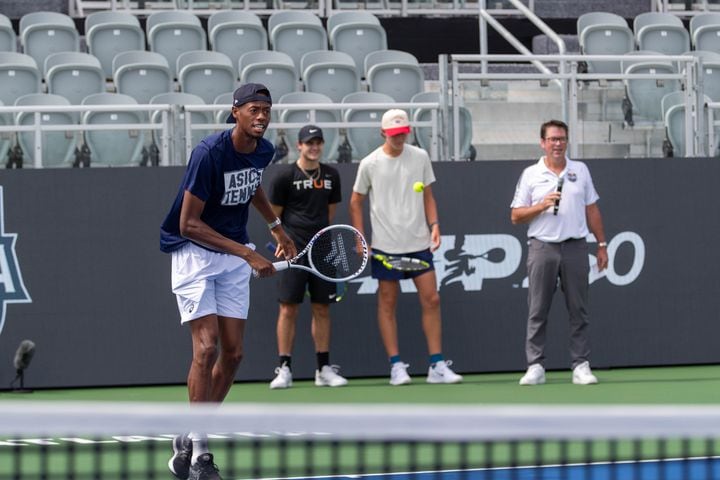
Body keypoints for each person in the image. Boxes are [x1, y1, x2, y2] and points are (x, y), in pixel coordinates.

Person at [159, 83, 296, 480]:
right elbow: (188, 223)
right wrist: (247, 253)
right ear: (234, 112)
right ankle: (200, 453)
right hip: (194, 253)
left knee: (233, 355)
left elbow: (249, 185)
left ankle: (187, 434)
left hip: (235, 252)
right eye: (253, 109)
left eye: (266, 110)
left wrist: (276, 227)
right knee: (206, 349)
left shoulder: (264, 151)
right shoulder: (208, 153)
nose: (262, 116)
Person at [349, 108, 463, 386]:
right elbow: (355, 202)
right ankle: (396, 365)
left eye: (402, 134)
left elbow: (428, 195)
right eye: (394, 134)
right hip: (385, 246)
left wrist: (434, 225)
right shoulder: (370, 163)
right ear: (383, 133)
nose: (399, 138)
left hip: (418, 242)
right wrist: (360, 239)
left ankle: (436, 365)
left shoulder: (420, 157)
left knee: (432, 299)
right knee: (388, 303)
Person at [510, 119, 608, 386]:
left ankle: (580, 365)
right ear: (542, 143)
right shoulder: (531, 174)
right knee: (537, 309)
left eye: (562, 139)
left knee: (579, 310)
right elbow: (516, 216)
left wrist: (601, 244)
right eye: (552, 139)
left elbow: (592, 209)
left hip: (576, 247)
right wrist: (541, 205)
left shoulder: (581, 170)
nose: (557, 144)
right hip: (542, 247)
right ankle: (535, 366)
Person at [265, 125, 348, 389]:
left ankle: (323, 368)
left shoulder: (332, 175)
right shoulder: (284, 176)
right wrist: (283, 241)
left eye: (318, 143)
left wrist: (318, 238)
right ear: (298, 145)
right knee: (288, 307)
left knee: (322, 308)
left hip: (323, 248)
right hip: (293, 250)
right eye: (308, 143)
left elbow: (330, 214)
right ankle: (284, 368)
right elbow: (274, 216)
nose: (314, 147)